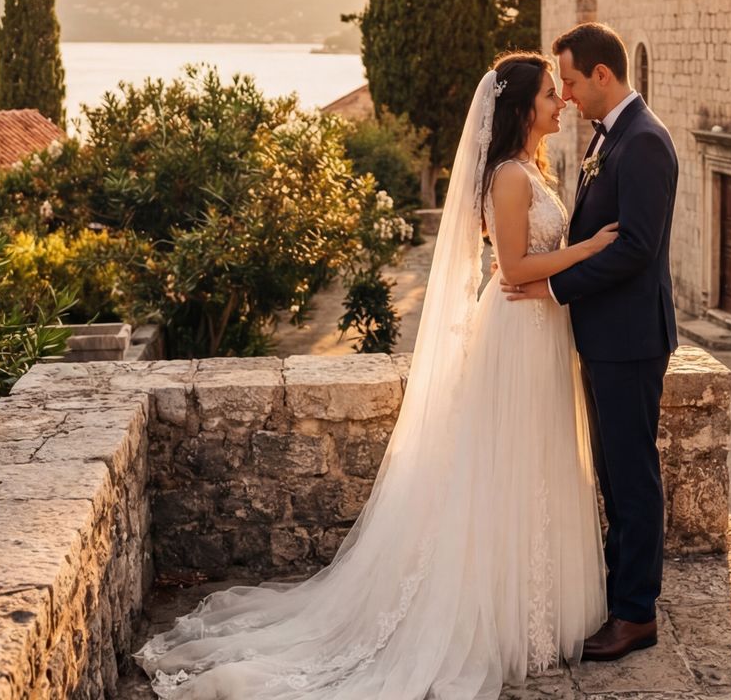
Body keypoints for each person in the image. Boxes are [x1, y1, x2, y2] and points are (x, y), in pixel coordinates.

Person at [134, 50, 615, 699]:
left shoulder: (532, 167)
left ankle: (533, 606)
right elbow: (511, 267)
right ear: (523, 107)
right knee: (507, 465)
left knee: (533, 463)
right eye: (551, 94)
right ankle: (495, 615)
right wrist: (588, 249)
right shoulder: (507, 175)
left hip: (541, 331)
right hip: (516, 334)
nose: (561, 103)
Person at [503, 22, 679, 661]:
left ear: (603, 74)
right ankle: (618, 590)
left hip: (630, 338)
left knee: (632, 476)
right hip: (605, 336)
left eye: (572, 81)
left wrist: (554, 288)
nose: (568, 95)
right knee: (612, 470)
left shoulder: (645, 142)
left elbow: (635, 248)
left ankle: (636, 614)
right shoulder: (611, 136)